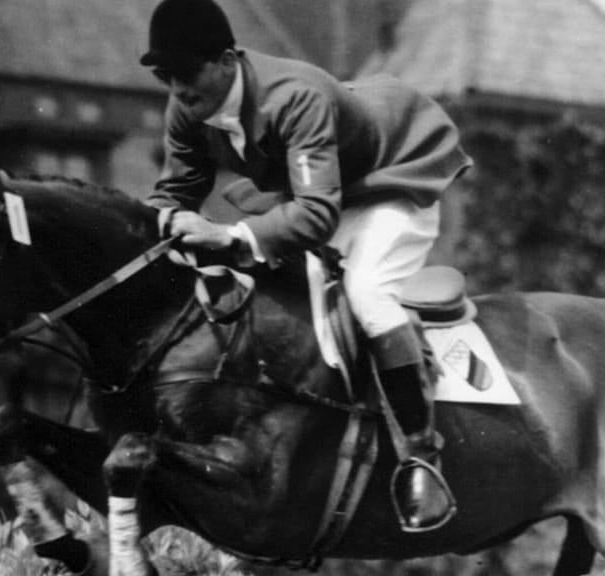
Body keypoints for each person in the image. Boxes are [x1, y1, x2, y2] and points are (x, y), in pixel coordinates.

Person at [140, 0, 471, 532]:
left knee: (366, 293)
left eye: (186, 71)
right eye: (164, 75)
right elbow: (175, 190)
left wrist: (226, 234)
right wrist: (153, 222)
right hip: (322, 195)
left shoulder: (294, 97)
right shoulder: (188, 108)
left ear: (226, 60)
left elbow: (316, 215)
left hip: (392, 180)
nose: (176, 87)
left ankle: (421, 455)